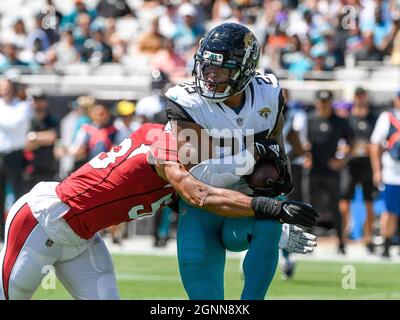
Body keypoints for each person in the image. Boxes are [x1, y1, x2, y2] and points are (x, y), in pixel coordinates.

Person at [0, 123, 318, 300]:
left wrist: (273, 235)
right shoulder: (164, 149)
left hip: (82, 239)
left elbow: (216, 214)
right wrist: (273, 209)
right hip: (43, 221)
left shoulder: (186, 161)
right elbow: (203, 195)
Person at [165, 23, 294, 299]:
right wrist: (252, 154)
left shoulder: (268, 94)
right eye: (207, 68)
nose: (210, 77)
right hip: (202, 210)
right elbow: (199, 178)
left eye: (221, 70)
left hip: (246, 210)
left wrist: (280, 191)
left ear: (245, 69)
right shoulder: (187, 102)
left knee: (271, 221)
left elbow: (278, 155)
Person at [303, 89, 354, 255]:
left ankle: (341, 243)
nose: (323, 105)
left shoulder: (339, 121)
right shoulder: (310, 119)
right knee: (310, 207)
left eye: (326, 102)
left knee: (335, 208)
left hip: (331, 171)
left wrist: (343, 160)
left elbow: (352, 142)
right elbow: (303, 141)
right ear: (317, 102)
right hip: (314, 170)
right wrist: (306, 155)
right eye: (321, 101)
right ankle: (308, 243)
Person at [339, 87, 377, 254]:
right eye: (358, 96)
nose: (361, 99)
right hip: (351, 164)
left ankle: (368, 238)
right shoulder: (349, 119)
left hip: (368, 164)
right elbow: (344, 143)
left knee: (369, 202)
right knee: (344, 201)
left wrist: (367, 148)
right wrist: (351, 149)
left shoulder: (373, 118)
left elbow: (376, 142)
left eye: (363, 96)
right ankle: (344, 236)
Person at [0, 79, 32, 241]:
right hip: (0, 154)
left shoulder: (22, 106)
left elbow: (17, 125)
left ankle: (17, 230)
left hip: (14, 154)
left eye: (7, 87)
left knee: (18, 194)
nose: (4, 90)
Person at [370, 90, 400, 258]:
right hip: (392, 172)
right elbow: (375, 144)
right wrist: (377, 170)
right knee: (390, 210)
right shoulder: (387, 117)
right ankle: (387, 244)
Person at [23, 88, 59, 192]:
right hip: (30, 167)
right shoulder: (28, 119)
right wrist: (41, 138)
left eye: (40, 100)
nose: (38, 103)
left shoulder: (52, 119)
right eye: (35, 100)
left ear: (45, 102)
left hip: (48, 167)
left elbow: (52, 137)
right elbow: (26, 144)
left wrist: (33, 137)